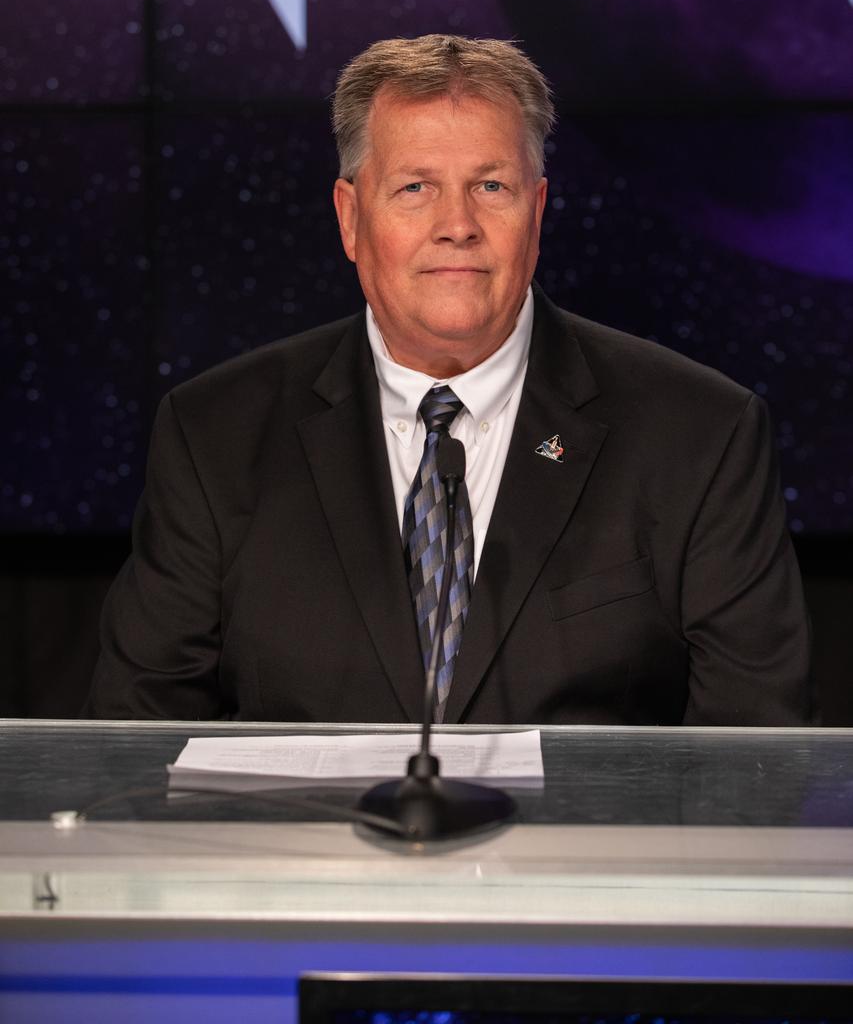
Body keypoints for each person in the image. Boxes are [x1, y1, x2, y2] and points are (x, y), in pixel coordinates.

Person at [86, 35, 814, 724]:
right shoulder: (215, 434)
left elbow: (759, 751)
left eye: (490, 185)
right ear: (349, 219)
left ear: (535, 212)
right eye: (414, 188)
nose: (456, 225)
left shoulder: (698, 433)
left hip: (575, 857)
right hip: (305, 854)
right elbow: (136, 736)